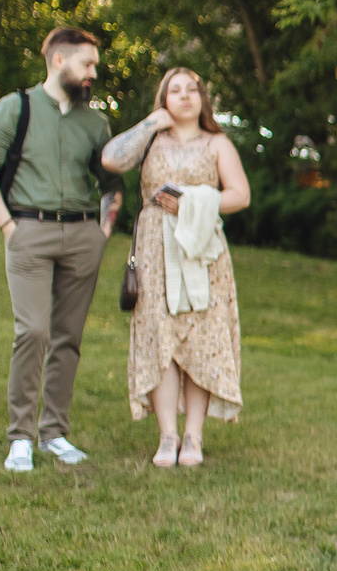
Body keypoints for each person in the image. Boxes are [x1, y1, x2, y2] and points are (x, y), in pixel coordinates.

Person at [0, 27, 117, 474]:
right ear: (58, 61)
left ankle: (54, 432)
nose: (94, 72)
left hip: (83, 236)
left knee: (68, 337)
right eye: (87, 63)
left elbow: (111, 184)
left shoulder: (96, 123)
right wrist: (9, 227)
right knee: (32, 331)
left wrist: (103, 232)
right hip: (29, 230)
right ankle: (20, 437)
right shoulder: (17, 107)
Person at [103, 67, 248, 467]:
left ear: (202, 98)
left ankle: (193, 437)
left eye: (191, 90)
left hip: (202, 249)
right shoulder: (150, 140)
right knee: (159, 336)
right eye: (174, 90)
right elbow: (112, 160)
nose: (184, 96)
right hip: (154, 250)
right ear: (163, 98)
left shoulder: (217, 143)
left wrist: (194, 202)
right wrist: (151, 122)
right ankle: (167, 435)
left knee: (201, 337)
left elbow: (240, 195)